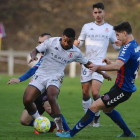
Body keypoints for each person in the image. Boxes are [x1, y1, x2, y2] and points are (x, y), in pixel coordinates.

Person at [56, 21, 139, 138]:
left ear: (124, 33)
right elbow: (127, 65)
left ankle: (70, 133)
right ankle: (128, 133)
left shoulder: (127, 48)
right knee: (107, 110)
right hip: (122, 86)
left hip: (123, 89)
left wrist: (98, 67)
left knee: (93, 107)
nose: (117, 38)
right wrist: (110, 63)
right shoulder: (135, 45)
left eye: (118, 35)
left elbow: (117, 66)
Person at [24, 28, 111, 133]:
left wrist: (103, 73)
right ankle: (39, 119)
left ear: (73, 40)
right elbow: (35, 50)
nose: (66, 43)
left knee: (51, 96)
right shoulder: (52, 41)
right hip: (41, 74)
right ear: (62, 36)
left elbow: (89, 64)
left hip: (55, 77)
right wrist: (33, 56)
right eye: (64, 40)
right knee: (27, 100)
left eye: (69, 41)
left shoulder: (75, 52)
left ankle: (60, 129)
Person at [7, 33, 70, 134]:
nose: (39, 45)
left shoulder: (55, 54)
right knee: (24, 121)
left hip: (47, 89)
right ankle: (50, 125)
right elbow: (33, 70)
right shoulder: (42, 57)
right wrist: (19, 79)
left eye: (42, 42)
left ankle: (67, 130)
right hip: (36, 91)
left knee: (49, 107)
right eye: (39, 42)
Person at [74, 2, 121, 127]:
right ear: (92, 13)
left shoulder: (110, 29)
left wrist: (119, 43)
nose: (98, 14)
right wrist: (76, 43)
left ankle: (97, 115)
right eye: (95, 12)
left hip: (100, 64)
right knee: (85, 93)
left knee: (95, 93)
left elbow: (116, 47)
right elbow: (80, 43)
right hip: (87, 63)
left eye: (100, 12)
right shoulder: (86, 27)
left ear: (104, 13)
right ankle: (88, 118)